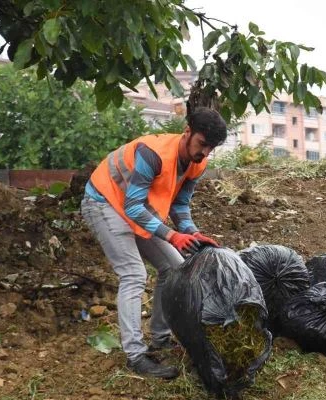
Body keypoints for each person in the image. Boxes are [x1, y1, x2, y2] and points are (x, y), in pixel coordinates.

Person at [80, 109, 227, 379]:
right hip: (103, 202)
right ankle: (136, 356)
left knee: (175, 267)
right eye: (202, 144)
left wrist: (192, 233)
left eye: (211, 148)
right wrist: (172, 236)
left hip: (135, 209)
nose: (205, 152)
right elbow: (133, 207)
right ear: (187, 132)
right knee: (133, 274)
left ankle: (160, 338)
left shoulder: (197, 163)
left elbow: (180, 205)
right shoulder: (153, 154)